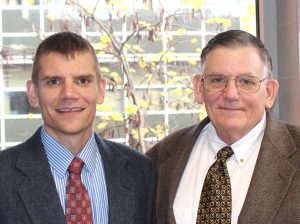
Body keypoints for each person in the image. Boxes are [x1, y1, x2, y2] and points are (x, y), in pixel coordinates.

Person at [147, 29, 300, 224]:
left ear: (269, 92)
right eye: (218, 80)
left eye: (246, 82)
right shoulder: (159, 158)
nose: (231, 94)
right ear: (199, 88)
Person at [0, 32, 153, 224]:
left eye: (82, 80)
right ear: (33, 93)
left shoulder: (141, 171)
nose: (69, 94)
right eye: (54, 81)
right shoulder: (4, 175)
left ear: (101, 90)